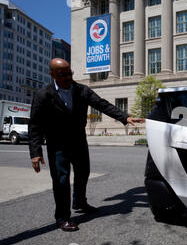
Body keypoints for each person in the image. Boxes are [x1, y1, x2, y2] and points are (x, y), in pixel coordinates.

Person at [28, 58, 145, 232]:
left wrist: (125, 117)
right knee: (61, 181)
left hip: (78, 141)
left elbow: (102, 104)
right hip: (57, 145)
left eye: (70, 73)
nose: (68, 77)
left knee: (83, 173)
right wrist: (35, 152)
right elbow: (35, 124)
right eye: (63, 74)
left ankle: (80, 202)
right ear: (52, 74)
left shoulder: (81, 90)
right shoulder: (43, 94)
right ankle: (62, 218)